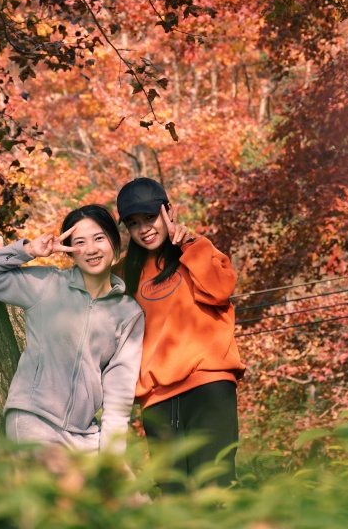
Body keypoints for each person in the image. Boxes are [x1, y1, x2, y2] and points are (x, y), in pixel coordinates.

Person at [0, 204, 144, 455]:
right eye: (79, 242)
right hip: (34, 421)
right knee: (63, 481)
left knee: (125, 483)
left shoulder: (129, 313)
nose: (91, 249)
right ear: (69, 251)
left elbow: (119, 391)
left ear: (114, 242)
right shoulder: (47, 284)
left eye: (99, 238)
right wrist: (29, 250)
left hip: (86, 434)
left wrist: (113, 454)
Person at [116, 177, 245, 489]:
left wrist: (188, 245)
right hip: (156, 399)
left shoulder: (197, 249)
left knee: (214, 486)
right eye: (133, 223)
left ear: (168, 212)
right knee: (174, 493)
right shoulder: (124, 273)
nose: (144, 228)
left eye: (150, 217)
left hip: (208, 384)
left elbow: (220, 290)